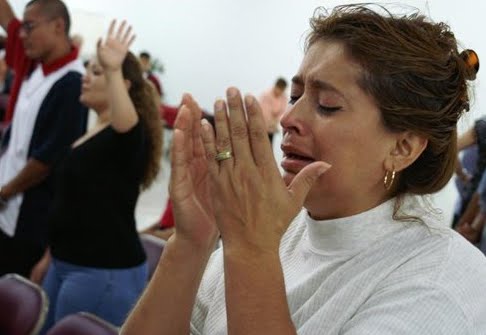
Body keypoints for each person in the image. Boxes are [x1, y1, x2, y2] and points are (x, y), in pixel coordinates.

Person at [122, 4, 486, 334]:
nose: (287, 119)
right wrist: (192, 242)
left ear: (402, 147)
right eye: (295, 97)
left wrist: (252, 248)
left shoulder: (444, 280)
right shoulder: (282, 229)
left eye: (327, 105)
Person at [30, 20, 162, 332]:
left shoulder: (127, 134)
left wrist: (114, 68)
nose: (86, 78)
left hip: (101, 272)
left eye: (97, 72)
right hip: (65, 262)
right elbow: (70, 202)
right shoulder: (94, 132)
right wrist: (50, 256)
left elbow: (126, 129)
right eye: (89, 70)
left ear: (124, 86)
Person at [0, 0, 87, 277]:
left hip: (27, 221)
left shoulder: (72, 83)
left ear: (58, 26)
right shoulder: (36, 69)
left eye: (30, 26)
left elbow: (46, 159)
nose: (22, 34)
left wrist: (5, 191)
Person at [259, 77, 288, 143]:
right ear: (276, 86)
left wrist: (275, 121)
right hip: (262, 125)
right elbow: (264, 111)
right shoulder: (266, 95)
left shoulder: (284, 97)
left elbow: (282, 111)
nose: (280, 92)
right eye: (279, 89)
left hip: (272, 127)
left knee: (269, 145)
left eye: (282, 90)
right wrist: (270, 122)